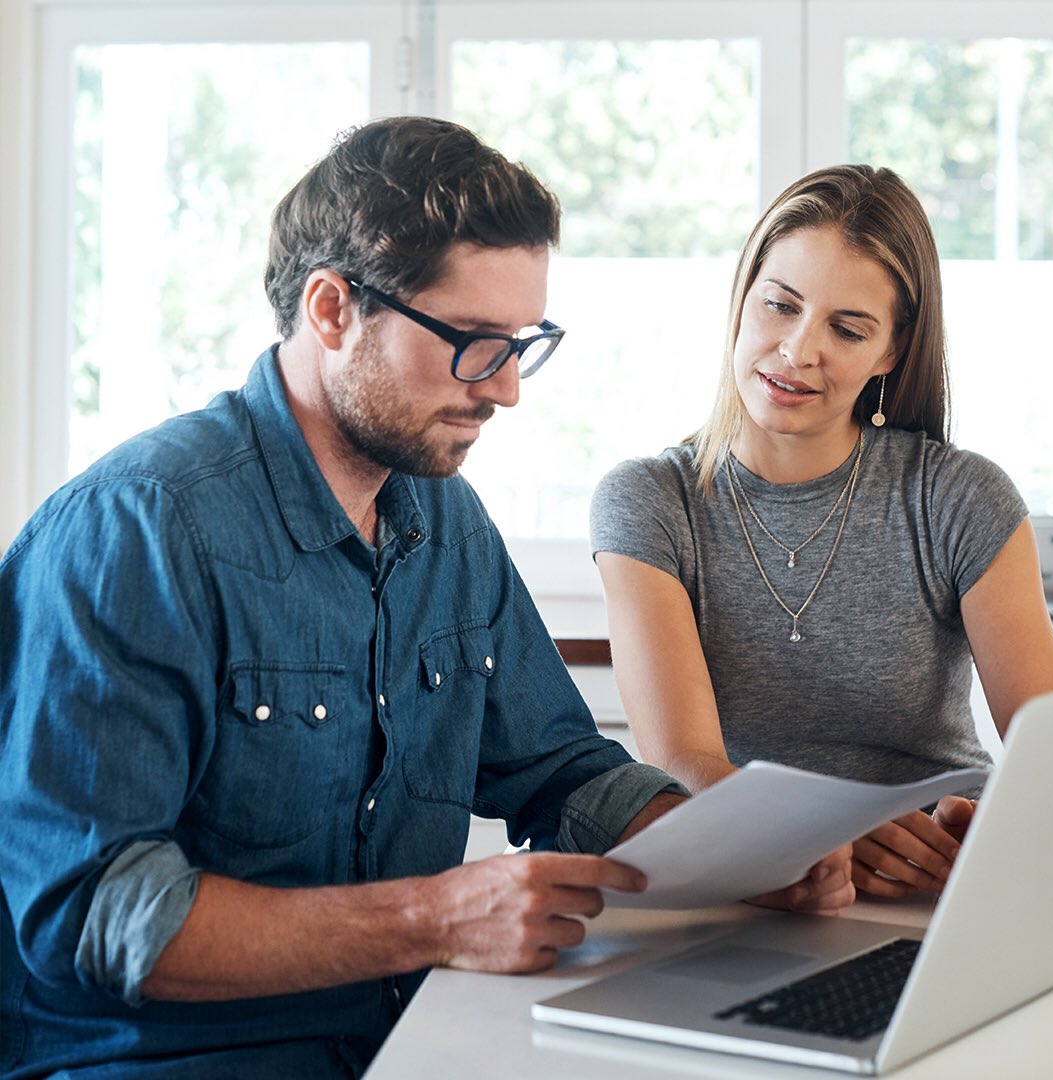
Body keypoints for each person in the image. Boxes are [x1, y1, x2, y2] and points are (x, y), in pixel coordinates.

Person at [0, 118, 852, 1080]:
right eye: (472, 343)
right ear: (331, 310)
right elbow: (94, 915)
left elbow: (558, 771)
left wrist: (731, 852)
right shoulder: (137, 532)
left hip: (414, 1040)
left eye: (521, 345)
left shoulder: (444, 518)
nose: (506, 391)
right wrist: (434, 918)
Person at [591, 164, 1053, 902]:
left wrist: (994, 824)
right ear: (742, 301)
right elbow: (684, 764)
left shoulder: (959, 496)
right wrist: (826, 838)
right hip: (755, 883)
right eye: (780, 306)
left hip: (937, 887)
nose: (798, 350)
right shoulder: (649, 502)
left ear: (892, 352)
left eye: (847, 328)